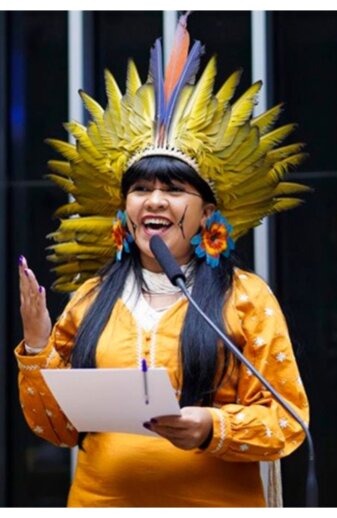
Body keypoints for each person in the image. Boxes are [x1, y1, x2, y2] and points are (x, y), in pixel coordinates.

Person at [16, 15, 309, 506]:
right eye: (140, 189)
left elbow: (288, 420)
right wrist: (37, 341)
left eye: (173, 190)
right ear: (125, 208)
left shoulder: (246, 297)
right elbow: (57, 429)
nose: (154, 201)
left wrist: (212, 426)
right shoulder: (91, 299)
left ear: (207, 212)